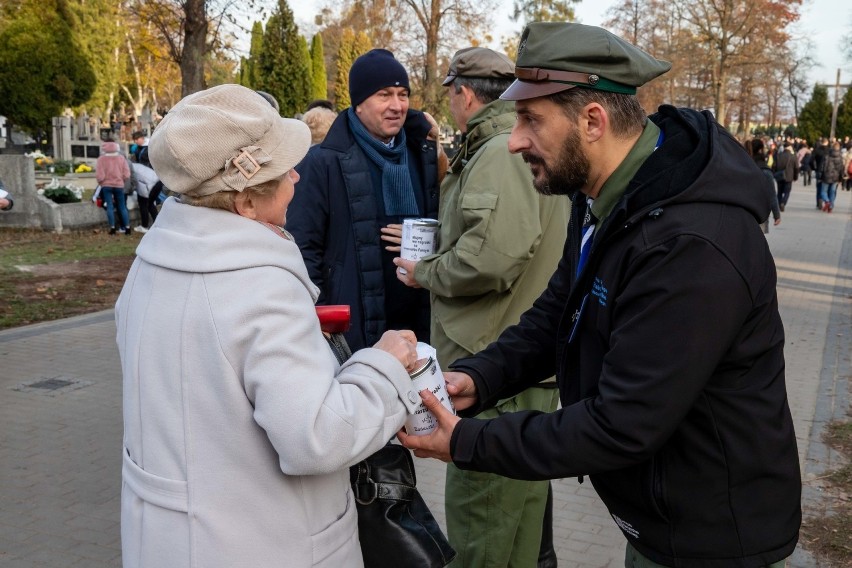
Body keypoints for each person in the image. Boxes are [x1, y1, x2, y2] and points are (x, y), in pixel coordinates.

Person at [399, 22, 801, 568]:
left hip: (715, 540)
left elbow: (621, 424)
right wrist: (482, 376)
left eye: (530, 120)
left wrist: (468, 443)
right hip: (660, 521)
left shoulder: (691, 245)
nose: (515, 141)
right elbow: (558, 312)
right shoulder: (603, 195)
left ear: (593, 121)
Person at [116, 84, 422, 568]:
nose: (298, 177)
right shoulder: (258, 284)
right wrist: (385, 366)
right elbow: (317, 438)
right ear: (244, 203)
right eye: (283, 171)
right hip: (265, 543)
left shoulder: (152, 264)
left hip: (171, 538)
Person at [393, 47, 568, 568]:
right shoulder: (505, 148)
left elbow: (493, 256)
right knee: (514, 526)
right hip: (514, 364)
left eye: (450, 94)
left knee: (483, 528)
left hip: (495, 367)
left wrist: (425, 272)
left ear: (465, 93)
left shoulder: (495, 152)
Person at [287, 49, 440, 351]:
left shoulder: (424, 156)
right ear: (358, 103)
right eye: (384, 95)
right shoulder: (322, 163)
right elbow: (304, 249)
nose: (397, 106)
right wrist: (325, 321)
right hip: (352, 329)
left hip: (418, 324)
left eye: (403, 94)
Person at [95, 140, 131, 235]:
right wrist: (121, 180)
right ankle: (127, 228)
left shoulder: (101, 159)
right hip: (119, 185)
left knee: (109, 206)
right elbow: (127, 173)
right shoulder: (121, 158)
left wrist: (102, 182)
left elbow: (99, 174)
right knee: (122, 206)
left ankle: (112, 228)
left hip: (106, 185)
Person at [746, 139, 781, 233]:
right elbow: (772, 195)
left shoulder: (744, 165)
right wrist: (776, 215)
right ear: (761, 150)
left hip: (744, 212)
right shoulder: (765, 170)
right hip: (760, 212)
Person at [130, 158, 160, 232]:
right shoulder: (135, 165)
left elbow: (133, 180)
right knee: (150, 204)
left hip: (148, 184)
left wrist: (131, 190)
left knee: (143, 205)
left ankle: (144, 226)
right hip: (158, 181)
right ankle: (158, 224)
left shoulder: (129, 167)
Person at [818, 141, 844, 212]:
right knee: (833, 192)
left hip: (826, 176)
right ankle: (831, 206)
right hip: (836, 177)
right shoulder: (840, 157)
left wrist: (820, 176)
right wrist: (841, 179)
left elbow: (822, 167)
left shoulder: (827, 156)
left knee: (823, 191)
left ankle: (827, 201)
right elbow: (842, 169)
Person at [772, 143, 798, 211]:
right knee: (787, 192)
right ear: (790, 148)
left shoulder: (778, 156)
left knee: (779, 191)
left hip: (779, 176)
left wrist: (774, 174)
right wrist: (795, 177)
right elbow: (796, 168)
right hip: (789, 177)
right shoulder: (793, 156)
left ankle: (779, 204)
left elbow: (774, 166)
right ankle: (783, 203)